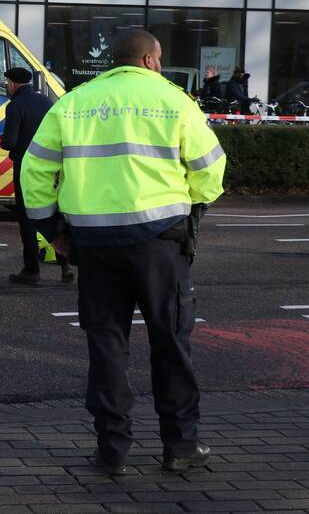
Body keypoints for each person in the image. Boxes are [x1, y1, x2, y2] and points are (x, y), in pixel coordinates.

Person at [21, 29, 226, 475]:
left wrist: (50, 232)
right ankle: (181, 447)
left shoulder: (74, 102)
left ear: (114, 61)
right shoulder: (175, 102)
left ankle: (112, 451)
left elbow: (34, 170)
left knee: (107, 348)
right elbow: (210, 169)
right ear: (152, 59)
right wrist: (192, 208)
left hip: (93, 246)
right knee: (170, 344)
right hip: (161, 246)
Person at [0, 66, 74, 285]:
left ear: (13, 84)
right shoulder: (45, 102)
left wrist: (5, 141)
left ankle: (31, 270)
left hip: (25, 169)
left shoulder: (15, 106)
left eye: (7, 84)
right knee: (54, 215)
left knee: (27, 220)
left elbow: (10, 142)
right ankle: (66, 264)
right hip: (52, 168)